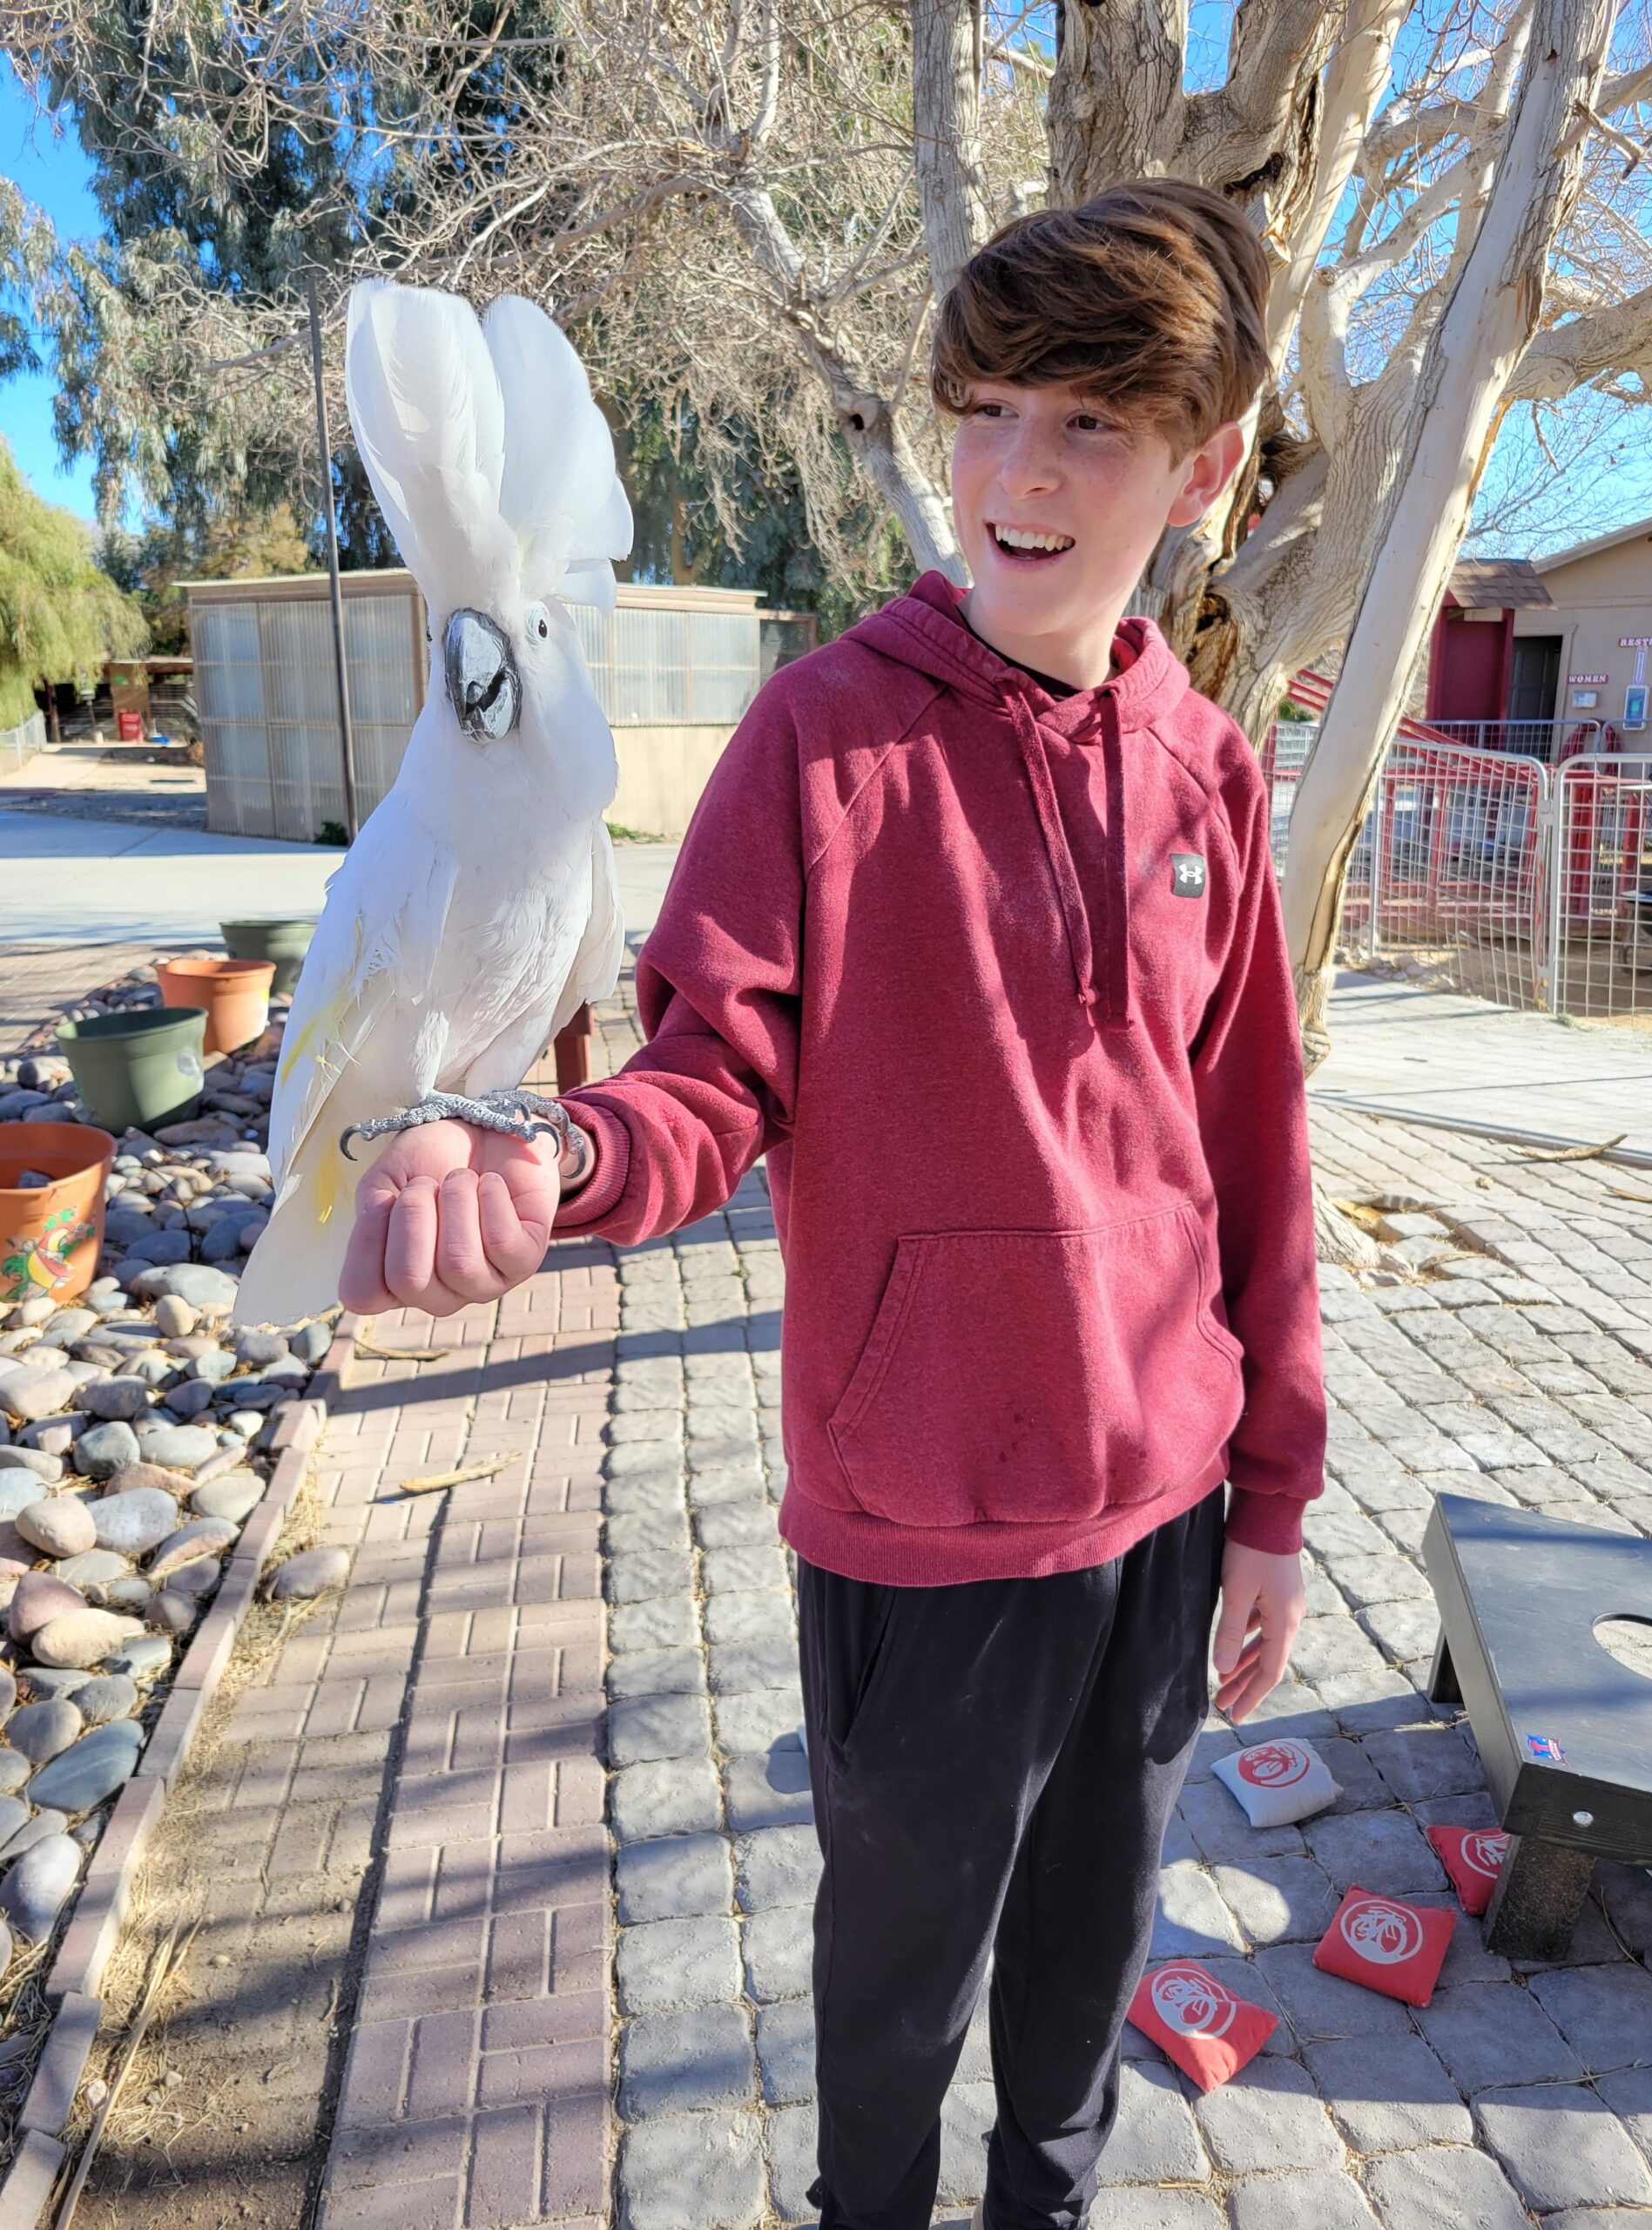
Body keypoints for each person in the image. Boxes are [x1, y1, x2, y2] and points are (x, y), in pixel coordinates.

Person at [341, 179, 1325, 2230]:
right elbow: (713, 1074)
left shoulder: (1214, 776)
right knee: (895, 2012)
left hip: (1159, 1518)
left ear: (1201, 467)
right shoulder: (821, 742)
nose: (1016, 473)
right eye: (985, 409)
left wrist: (1275, 1501)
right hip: (917, 1527)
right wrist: (561, 1152)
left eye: (1086, 425)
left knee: (1079, 1998)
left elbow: (1254, 1153)